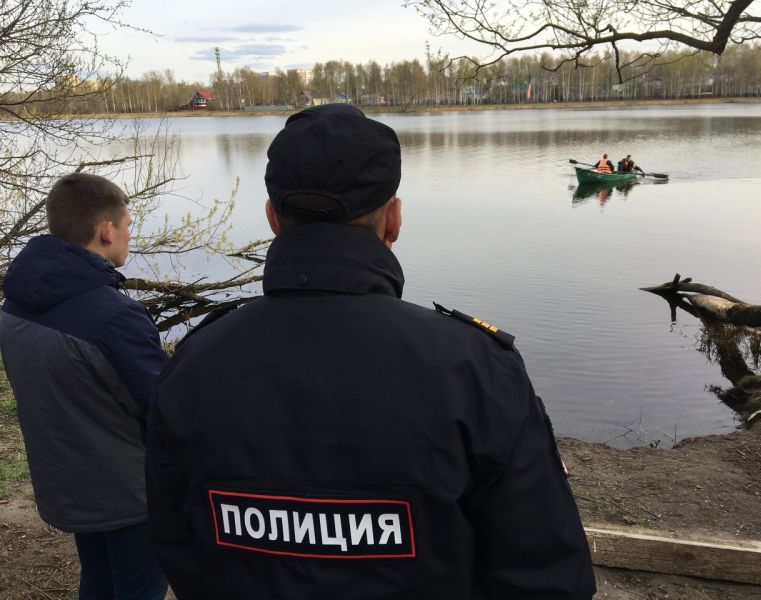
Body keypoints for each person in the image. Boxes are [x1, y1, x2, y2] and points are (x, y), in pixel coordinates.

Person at [146, 104, 596, 599]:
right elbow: (546, 574)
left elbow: (178, 547)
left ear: (273, 218)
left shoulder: (193, 365)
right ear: (394, 220)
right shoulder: (474, 371)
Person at [0, 173, 168, 600]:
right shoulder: (114, 317)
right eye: (129, 225)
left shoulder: (17, 302)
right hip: (131, 495)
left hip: (71, 482)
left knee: (97, 580)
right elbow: (164, 411)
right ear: (106, 230)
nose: (130, 234)